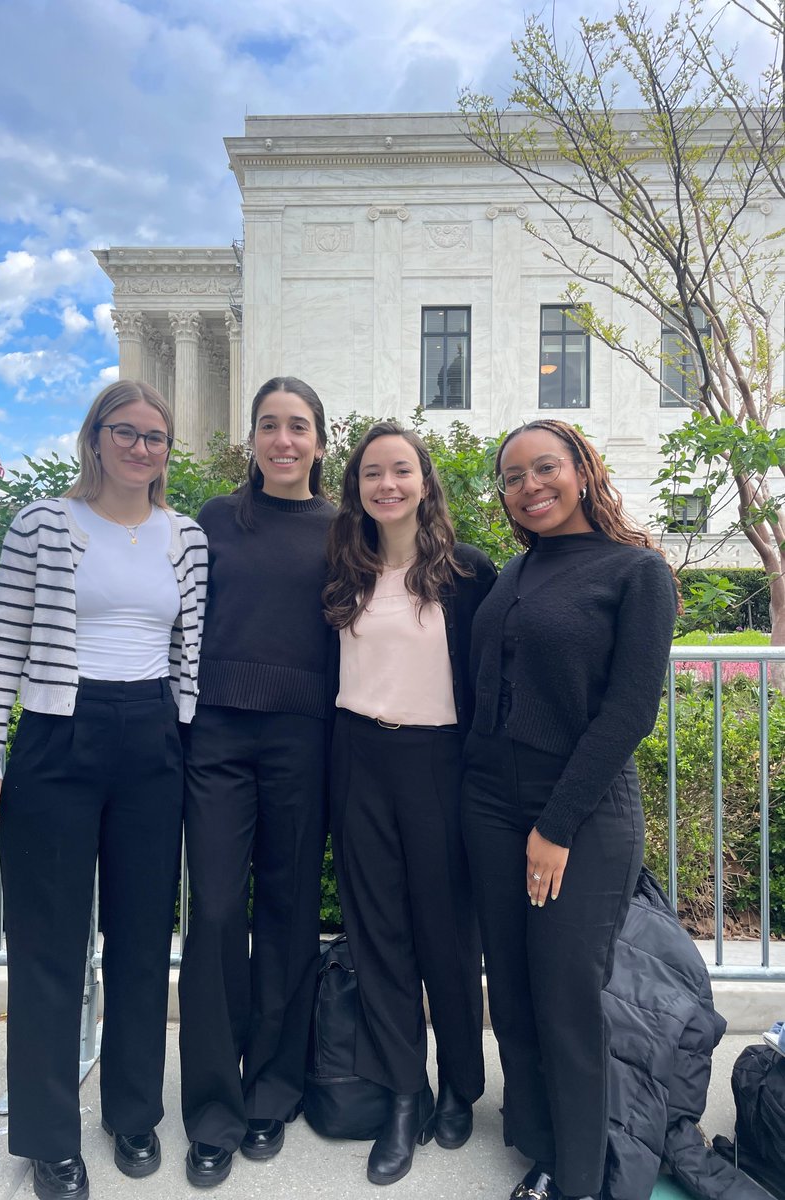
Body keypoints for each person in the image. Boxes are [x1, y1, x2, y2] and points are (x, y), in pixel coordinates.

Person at [0, 380, 208, 1200]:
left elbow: (191, 654)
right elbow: (1, 645)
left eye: (156, 438)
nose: (142, 448)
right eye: (126, 432)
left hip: (152, 737)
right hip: (58, 737)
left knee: (142, 943)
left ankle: (131, 1113)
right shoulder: (42, 522)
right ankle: (47, 1136)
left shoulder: (187, 537)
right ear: (95, 437)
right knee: (49, 948)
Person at [461, 418, 679, 1200]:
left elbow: (629, 714)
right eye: (513, 476)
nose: (529, 486)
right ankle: (536, 1135)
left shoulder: (637, 573)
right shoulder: (512, 574)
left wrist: (553, 827)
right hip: (488, 802)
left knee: (563, 989)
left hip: (580, 811)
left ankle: (578, 1174)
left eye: (544, 468)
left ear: (582, 471)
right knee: (512, 987)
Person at [323, 421, 497, 1186]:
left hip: (440, 763)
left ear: (426, 481)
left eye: (401, 470)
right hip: (358, 756)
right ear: (355, 488)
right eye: (371, 473)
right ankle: (403, 1091)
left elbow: (496, 684)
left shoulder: (468, 573)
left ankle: (461, 1083)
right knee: (378, 936)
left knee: (447, 937)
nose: (386, 484)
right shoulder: (343, 571)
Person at [178, 377, 335, 1188]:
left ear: (318, 440)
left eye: (298, 426)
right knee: (210, 912)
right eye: (269, 425)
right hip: (217, 737)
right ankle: (211, 1109)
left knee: (288, 912)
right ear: (252, 438)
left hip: (304, 742)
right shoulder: (213, 519)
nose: (283, 439)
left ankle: (272, 1089)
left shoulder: (346, 529)